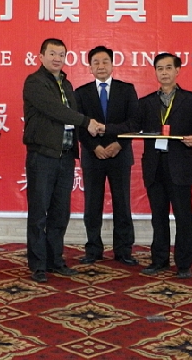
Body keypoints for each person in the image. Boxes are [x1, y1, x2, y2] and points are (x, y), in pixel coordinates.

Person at [23, 38, 104, 283]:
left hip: (66, 156)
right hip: (42, 156)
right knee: (39, 213)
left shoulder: (66, 84)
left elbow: (71, 115)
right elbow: (55, 110)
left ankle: (55, 260)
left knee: (60, 213)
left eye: (61, 54)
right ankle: (38, 265)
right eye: (52, 53)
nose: (57, 58)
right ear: (41, 56)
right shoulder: (34, 82)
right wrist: (86, 122)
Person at [136, 53, 192, 279]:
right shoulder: (146, 102)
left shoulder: (191, 99)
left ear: (178, 71)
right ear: (155, 72)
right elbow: (133, 126)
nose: (164, 72)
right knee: (158, 216)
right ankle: (159, 260)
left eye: (168, 68)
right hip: (154, 166)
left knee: (183, 216)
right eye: (160, 68)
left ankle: (184, 263)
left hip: (180, 166)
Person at [75, 46, 139, 266]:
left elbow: (134, 123)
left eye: (105, 62)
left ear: (112, 65)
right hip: (93, 156)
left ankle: (124, 251)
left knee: (122, 204)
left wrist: (119, 144)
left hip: (120, 155)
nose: (101, 66)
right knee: (92, 205)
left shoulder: (126, 90)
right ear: (90, 67)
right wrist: (95, 147)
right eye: (96, 62)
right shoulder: (81, 93)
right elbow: (79, 126)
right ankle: (93, 249)